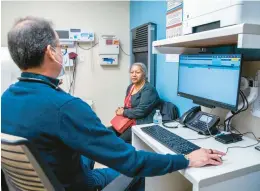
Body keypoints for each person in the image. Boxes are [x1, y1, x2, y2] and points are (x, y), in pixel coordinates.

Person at [1, 17, 225, 191]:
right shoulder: (65, 106)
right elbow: (132, 162)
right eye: (60, 47)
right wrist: (185, 159)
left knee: (97, 150)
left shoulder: (6, 99)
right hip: (78, 185)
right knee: (139, 171)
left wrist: (105, 134)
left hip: (53, 177)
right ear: (51, 52)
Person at [109, 62, 160, 143]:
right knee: (106, 133)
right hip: (128, 120)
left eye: (138, 72)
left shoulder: (149, 89)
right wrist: (121, 109)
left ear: (144, 74)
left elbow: (141, 111)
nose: (134, 75)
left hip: (140, 123)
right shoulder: (130, 87)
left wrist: (123, 112)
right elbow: (128, 106)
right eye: (132, 72)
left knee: (118, 142)